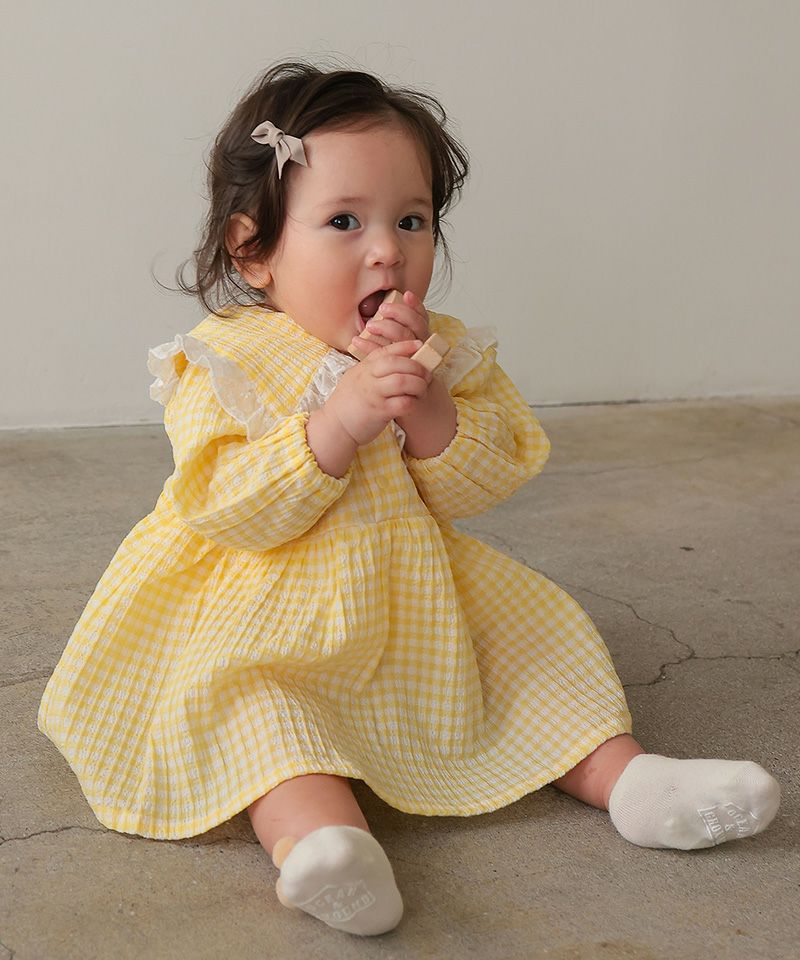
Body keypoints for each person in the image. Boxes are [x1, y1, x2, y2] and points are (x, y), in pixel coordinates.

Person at [37, 60, 780, 937]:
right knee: (261, 713)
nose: (387, 249)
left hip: (410, 589)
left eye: (412, 220)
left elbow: (481, 481)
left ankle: (632, 782)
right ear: (254, 250)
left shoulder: (444, 351)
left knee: (535, 653)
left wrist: (427, 407)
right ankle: (327, 848)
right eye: (344, 221)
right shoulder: (225, 360)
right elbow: (225, 504)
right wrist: (338, 423)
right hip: (259, 606)